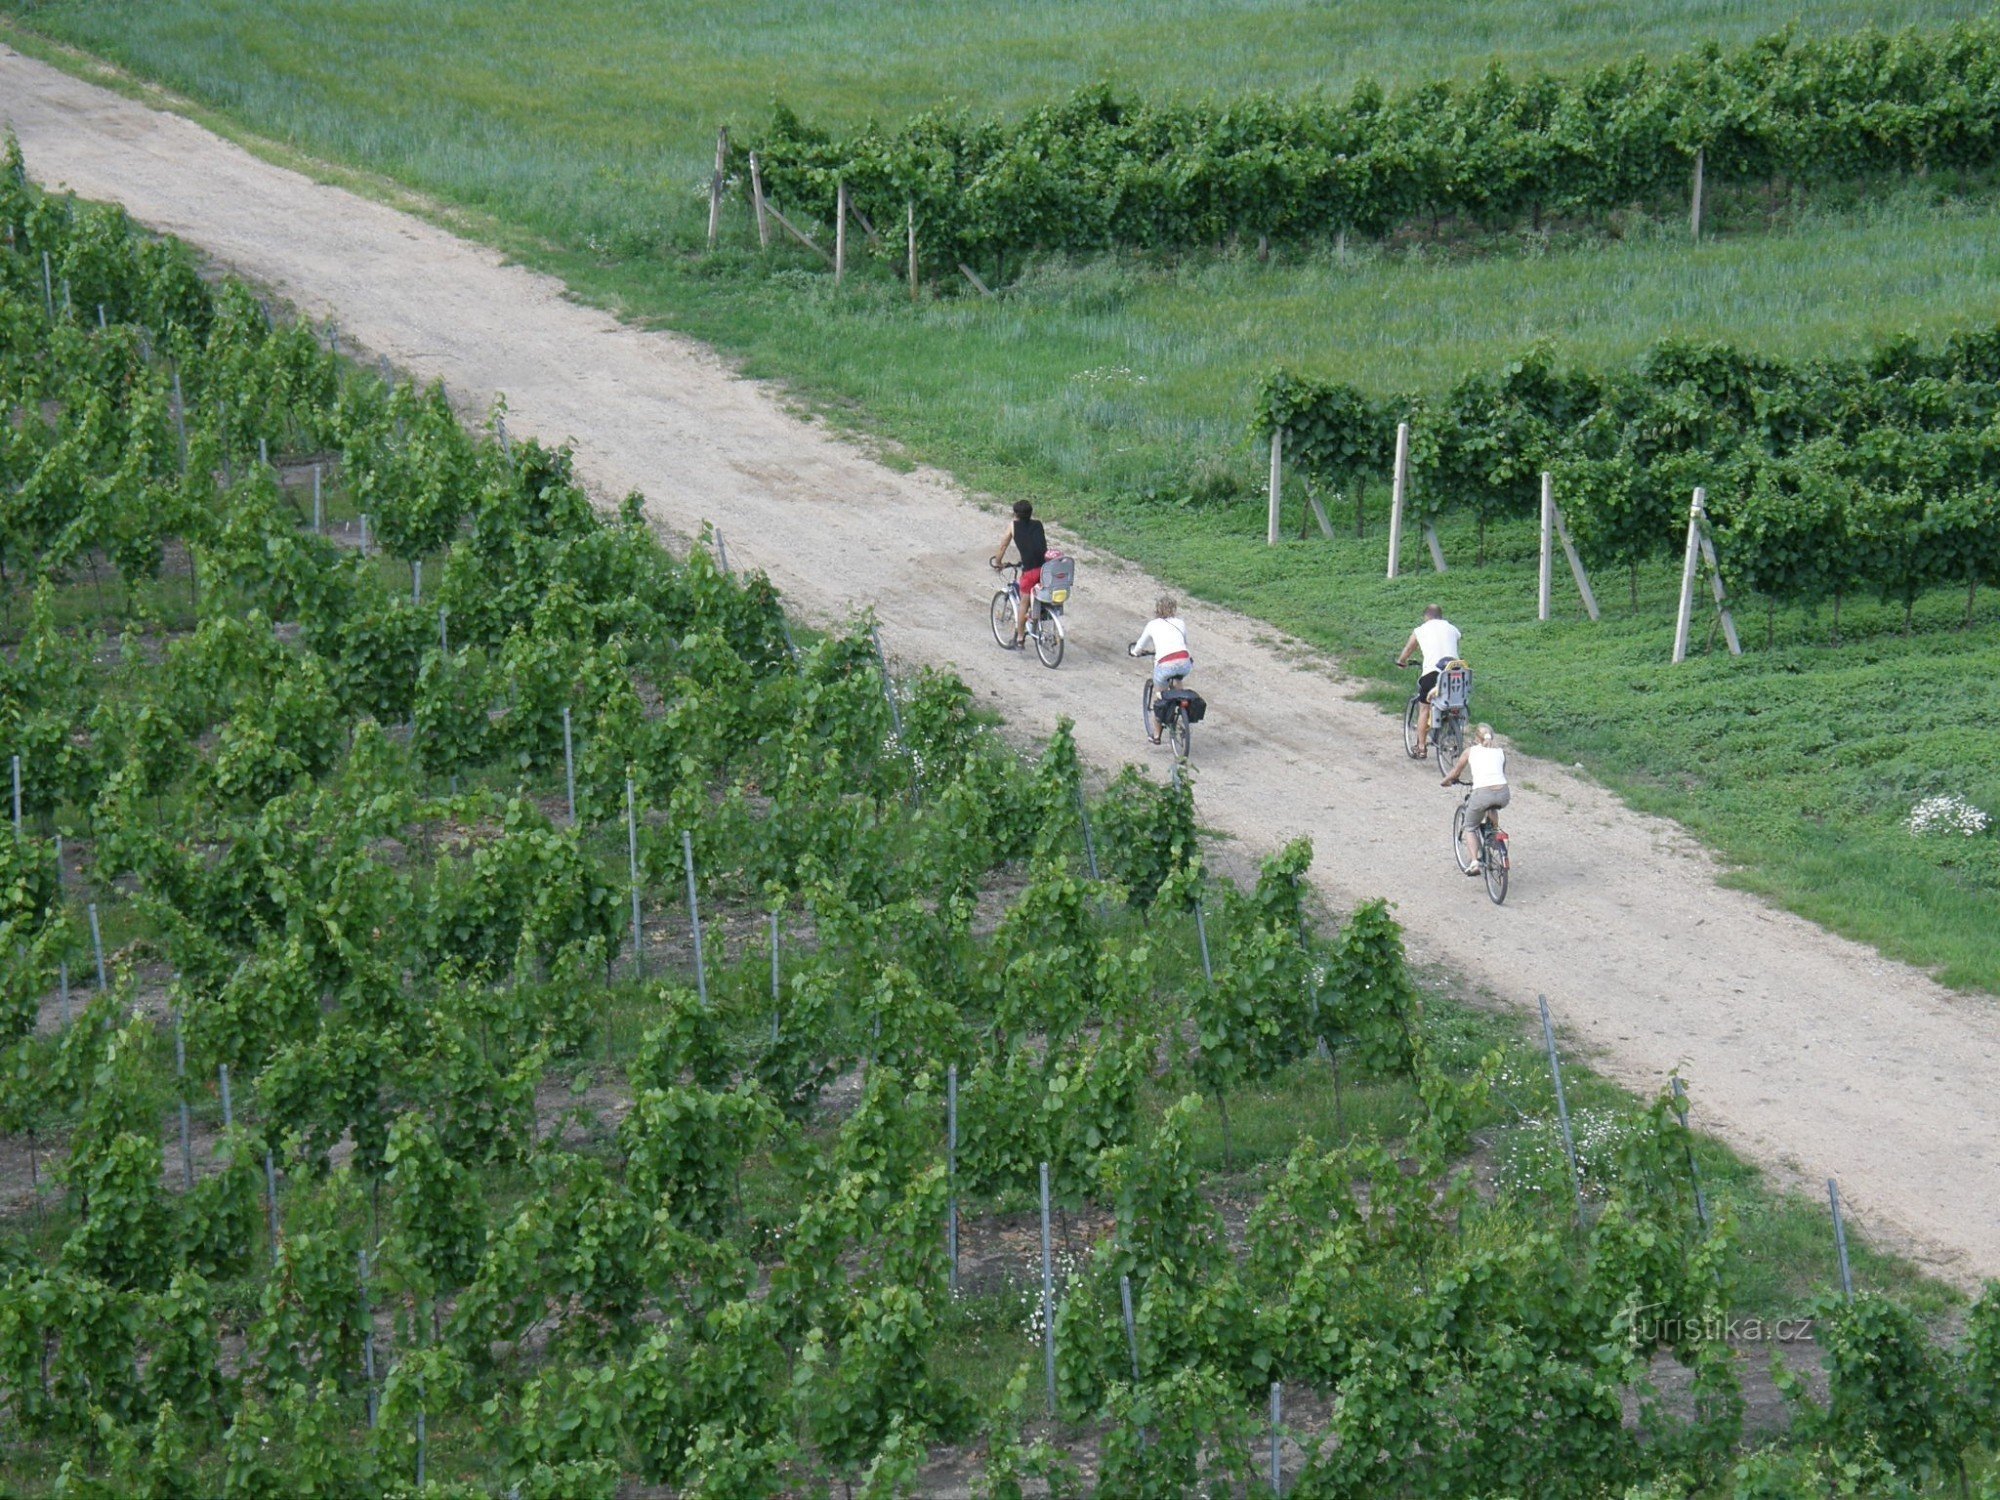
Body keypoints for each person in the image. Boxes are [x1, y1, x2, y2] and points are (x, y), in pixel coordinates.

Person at [1393, 605, 1462, 757]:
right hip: (1455, 673)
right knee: (1454, 702)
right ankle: (1453, 732)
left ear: (1426, 617)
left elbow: (1408, 650)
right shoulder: (1452, 628)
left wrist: (1402, 661)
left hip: (1433, 673)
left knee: (1424, 708)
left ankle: (1422, 747)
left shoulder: (1420, 630)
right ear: (1441, 616)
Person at [1443, 723, 1508, 873]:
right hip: (1503, 794)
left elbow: (1455, 772)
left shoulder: (1470, 751)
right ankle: (1493, 832)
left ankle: (1474, 863)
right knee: (1491, 805)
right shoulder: (1501, 752)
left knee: (1470, 826)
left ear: (1476, 738)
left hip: (1482, 794)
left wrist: (1445, 781)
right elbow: (1499, 773)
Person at [1128, 595, 1192, 745]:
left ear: (1157, 609)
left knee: (1160, 698)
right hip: (1184, 661)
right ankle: (1182, 708)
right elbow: (1184, 642)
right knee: (1177, 679)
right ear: (1174, 609)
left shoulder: (1152, 625)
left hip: (1165, 664)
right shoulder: (1180, 623)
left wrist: (1135, 652)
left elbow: (1139, 646)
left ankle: (1156, 735)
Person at [989, 499, 1049, 648]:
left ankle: (1020, 638)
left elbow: (1003, 546)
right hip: (1045, 569)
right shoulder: (1038, 524)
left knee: (1024, 601)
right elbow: (1035, 545)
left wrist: (998, 563)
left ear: (1015, 514)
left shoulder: (1013, 526)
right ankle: (1038, 615)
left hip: (1030, 571)